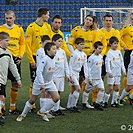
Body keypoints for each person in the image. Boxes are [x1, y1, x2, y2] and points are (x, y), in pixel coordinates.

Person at [16, 42, 59, 122]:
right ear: (47, 50)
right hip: (39, 82)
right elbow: (39, 71)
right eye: (53, 49)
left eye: (55, 49)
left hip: (49, 82)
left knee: (56, 98)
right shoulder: (45, 59)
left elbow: (51, 71)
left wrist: (53, 79)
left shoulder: (54, 58)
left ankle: (42, 111)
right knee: (32, 100)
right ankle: (23, 114)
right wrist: (42, 83)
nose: (55, 50)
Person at [25, 8, 52, 111]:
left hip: (46, 58)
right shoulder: (31, 27)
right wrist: (31, 60)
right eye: (48, 15)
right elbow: (27, 46)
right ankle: (33, 103)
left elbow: (49, 43)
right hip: (35, 58)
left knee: (46, 80)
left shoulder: (47, 27)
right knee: (34, 81)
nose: (48, 17)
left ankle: (44, 102)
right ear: (43, 15)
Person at [67, 15, 95, 109]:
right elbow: (70, 43)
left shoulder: (93, 32)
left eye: (90, 20)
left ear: (92, 23)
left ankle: (83, 101)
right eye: (87, 19)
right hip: (77, 60)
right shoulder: (76, 30)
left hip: (87, 58)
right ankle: (72, 103)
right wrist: (74, 54)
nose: (88, 21)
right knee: (77, 83)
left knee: (84, 80)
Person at [0, 10, 25, 115]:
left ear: (14, 18)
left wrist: (20, 56)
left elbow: (22, 43)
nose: (8, 20)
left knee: (15, 82)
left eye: (10, 18)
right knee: (3, 83)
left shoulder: (19, 29)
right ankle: (2, 109)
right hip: (3, 57)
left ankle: (12, 107)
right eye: (6, 18)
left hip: (15, 59)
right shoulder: (1, 29)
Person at [0, 32, 22, 125]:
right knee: (1, 98)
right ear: (0, 40)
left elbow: (13, 67)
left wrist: (18, 79)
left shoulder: (8, 53)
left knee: (2, 98)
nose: (8, 42)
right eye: (6, 40)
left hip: (3, 80)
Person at [99, 14, 127, 81]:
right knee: (102, 74)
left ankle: (115, 89)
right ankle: (100, 89)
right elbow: (99, 44)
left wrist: (124, 46)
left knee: (115, 74)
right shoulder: (100, 32)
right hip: (104, 55)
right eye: (106, 20)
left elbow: (118, 41)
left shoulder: (116, 32)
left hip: (115, 56)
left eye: (110, 20)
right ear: (103, 21)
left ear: (112, 22)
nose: (108, 22)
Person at [102, 36, 126, 108]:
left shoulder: (119, 52)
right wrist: (109, 72)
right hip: (112, 73)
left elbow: (121, 62)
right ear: (111, 44)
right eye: (115, 43)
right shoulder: (109, 53)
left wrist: (124, 71)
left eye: (117, 43)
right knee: (110, 88)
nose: (116, 45)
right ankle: (105, 102)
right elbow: (107, 63)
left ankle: (114, 102)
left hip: (118, 73)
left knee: (117, 88)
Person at [50, 34, 71, 116]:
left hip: (61, 76)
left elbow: (65, 64)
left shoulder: (62, 52)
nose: (60, 43)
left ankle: (56, 109)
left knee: (59, 92)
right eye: (59, 41)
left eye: (61, 41)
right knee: (54, 93)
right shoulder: (52, 52)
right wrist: (52, 77)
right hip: (55, 76)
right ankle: (51, 109)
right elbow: (51, 65)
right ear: (54, 41)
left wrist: (67, 74)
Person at [67, 37, 88, 112]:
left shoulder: (84, 55)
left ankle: (69, 106)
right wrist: (69, 75)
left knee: (73, 90)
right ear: (76, 45)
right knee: (78, 89)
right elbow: (70, 65)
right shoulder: (74, 54)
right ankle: (73, 105)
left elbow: (85, 67)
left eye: (83, 44)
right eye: (80, 44)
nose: (82, 46)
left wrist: (86, 77)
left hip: (77, 73)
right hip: (72, 73)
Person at [82, 41, 104, 111]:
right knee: (87, 90)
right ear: (94, 48)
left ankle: (97, 103)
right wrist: (90, 79)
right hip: (92, 79)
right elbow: (89, 69)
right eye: (99, 48)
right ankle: (84, 103)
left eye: (101, 49)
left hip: (99, 78)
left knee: (102, 90)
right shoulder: (91, 58)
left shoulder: (101, 56)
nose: (100, 50)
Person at [91, 16, 107, 105]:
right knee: (85, 77)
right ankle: (90, 98)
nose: (92, 24)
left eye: (93, 22)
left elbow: (104, 45)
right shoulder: (89, 32)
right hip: (90, 56)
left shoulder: (101, 33)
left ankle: (97, 98)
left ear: (96, 23)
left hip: (100, 56)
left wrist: (101, 55)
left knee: (101, 76)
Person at [120, 13, 133, 104]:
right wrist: (124, 46)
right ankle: (123, 96)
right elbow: (118, 37)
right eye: (132, 19)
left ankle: (131, 96)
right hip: (129, 52)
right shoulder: (126, 29)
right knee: (128, 74)